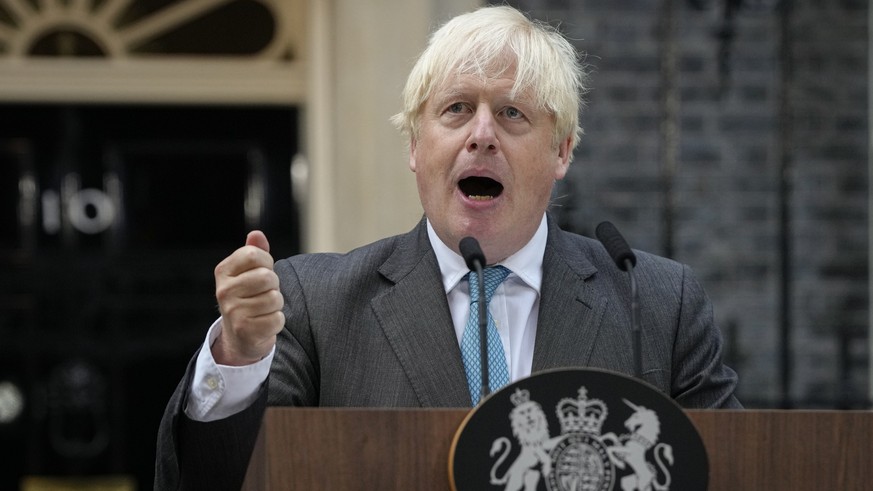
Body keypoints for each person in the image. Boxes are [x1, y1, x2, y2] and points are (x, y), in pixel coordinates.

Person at [155, 5, 741, 489]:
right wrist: (238, 356)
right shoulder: (315, 303)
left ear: (562, 151)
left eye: (512, 113)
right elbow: (220, 479)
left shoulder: (657, 304)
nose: (481, 134)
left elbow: (737, 474)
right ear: (415, 146)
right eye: (456, 109)